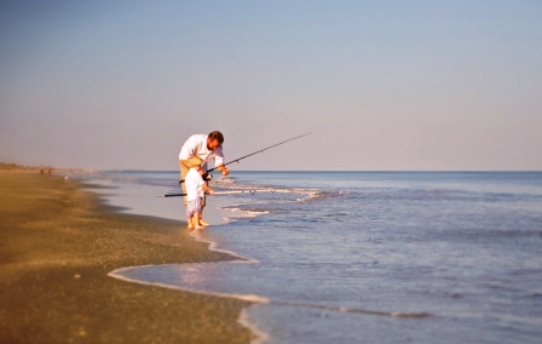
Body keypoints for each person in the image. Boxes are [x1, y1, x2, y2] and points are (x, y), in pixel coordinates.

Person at [179, 131, 229, 225]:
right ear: (208, 139)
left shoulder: (218, 147)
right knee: (190, 190)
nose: (215, 148)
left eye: (217, 146)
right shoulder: (195, 140)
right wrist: (196, 169)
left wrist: (223, 169)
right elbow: (183, 158)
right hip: (187, 162)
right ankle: (192, 219)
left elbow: (219, 162)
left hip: (202, 164)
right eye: (213, 145)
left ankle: (199, 217)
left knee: (202, 191)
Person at [184, 155, 215, 230]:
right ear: (196, 165)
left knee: (189, 211)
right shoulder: (196, 174)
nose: (200, 167)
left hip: (189, 196)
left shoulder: (188, 175)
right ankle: (197, 224)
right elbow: (203, 185)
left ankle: (190, 224)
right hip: (195, 196)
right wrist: (210, 190)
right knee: (196, 210)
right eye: (199, 166)